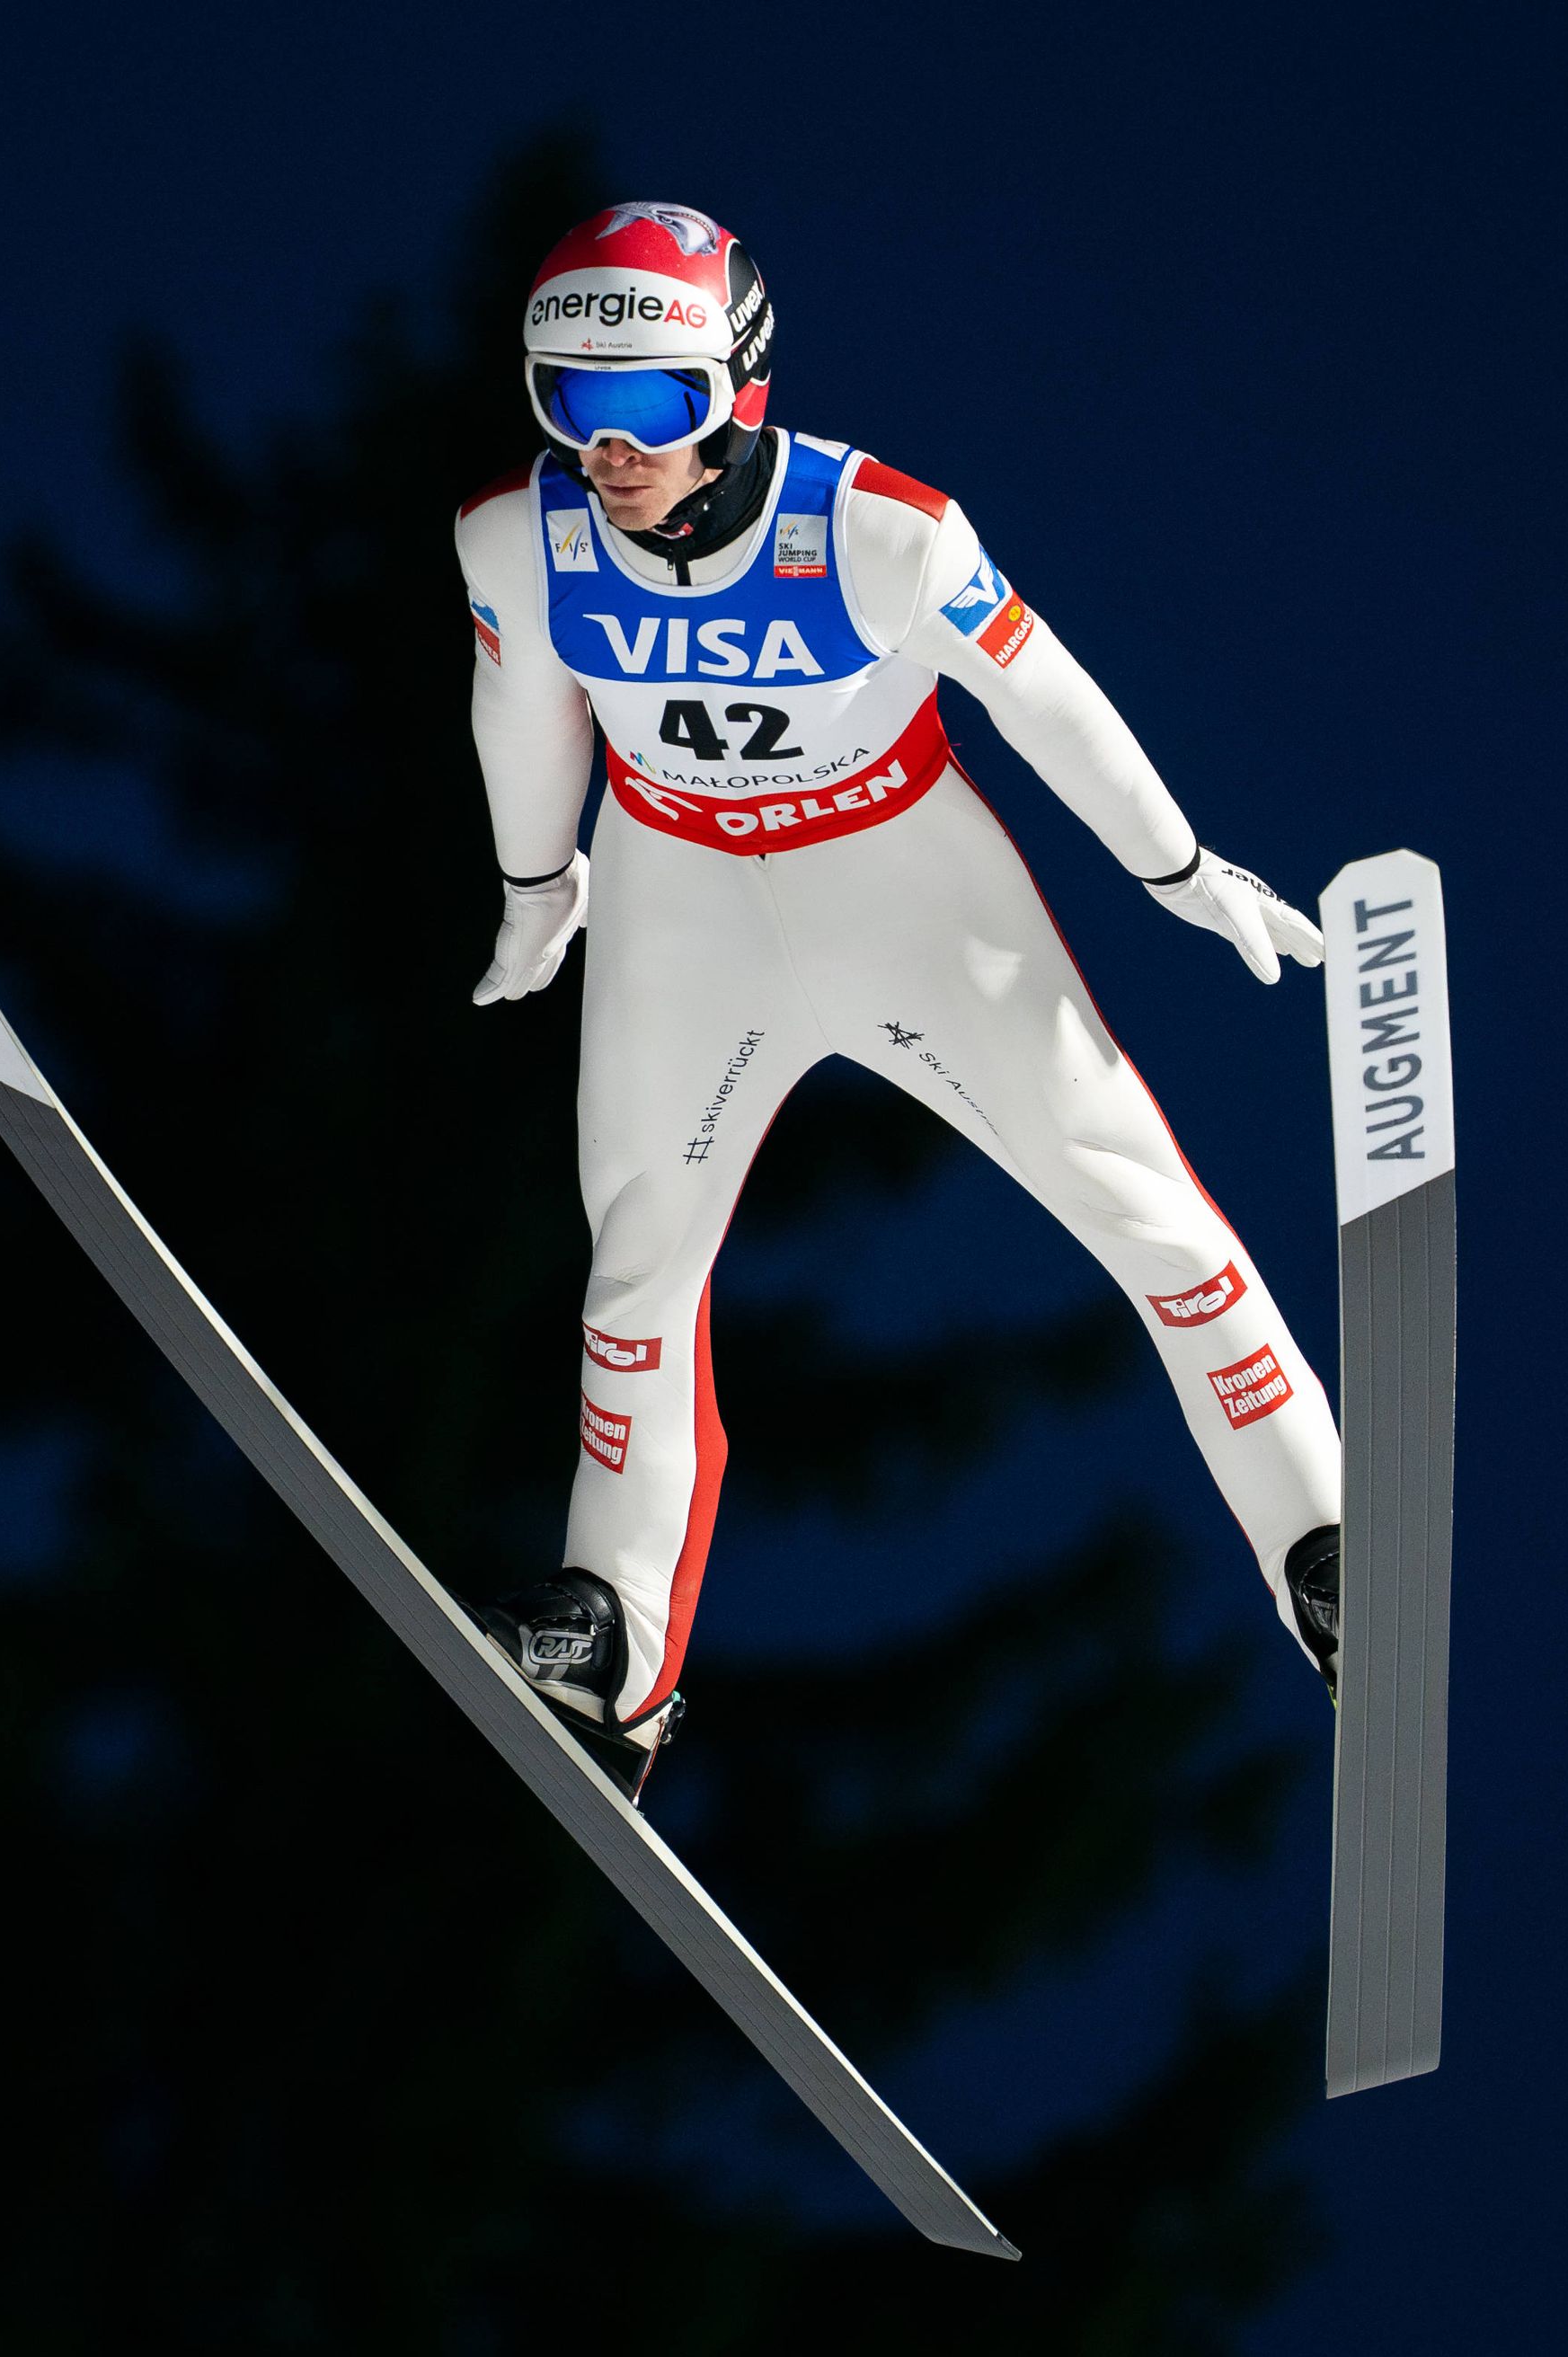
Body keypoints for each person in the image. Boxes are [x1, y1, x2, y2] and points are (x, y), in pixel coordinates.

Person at [455, 201, 1342, 1799]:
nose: (610, 447)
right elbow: (520, 708)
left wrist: (1180, 869)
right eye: (571, 401)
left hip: (905, 891)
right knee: (639, 1261)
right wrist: (537, 888)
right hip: (683, 899)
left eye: (651, 402)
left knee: (1141, 1208)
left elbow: (1048, 700)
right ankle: (617, 1636)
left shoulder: (883, 533)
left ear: (737, 387)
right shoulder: (520, 538)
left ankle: (1328, 1547)